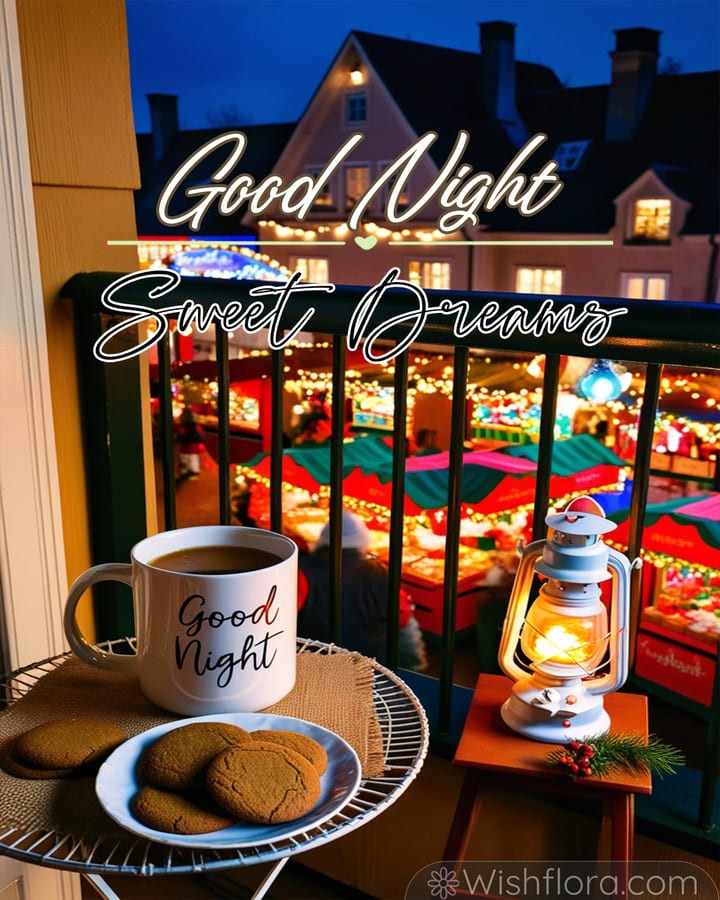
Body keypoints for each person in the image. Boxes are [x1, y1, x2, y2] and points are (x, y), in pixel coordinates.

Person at [297, 510, 427, 671]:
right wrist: (411, 667)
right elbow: (402, 618)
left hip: (317, 660)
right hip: (369, 663)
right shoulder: (377, 572)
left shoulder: (302, 569)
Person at [175, 406, 206, 480]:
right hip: (190, 448)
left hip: (188, 448)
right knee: (191, 460)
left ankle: (187, 472)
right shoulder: (196, 427)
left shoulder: (182, 427)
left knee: (188, 460)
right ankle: (189, 472)